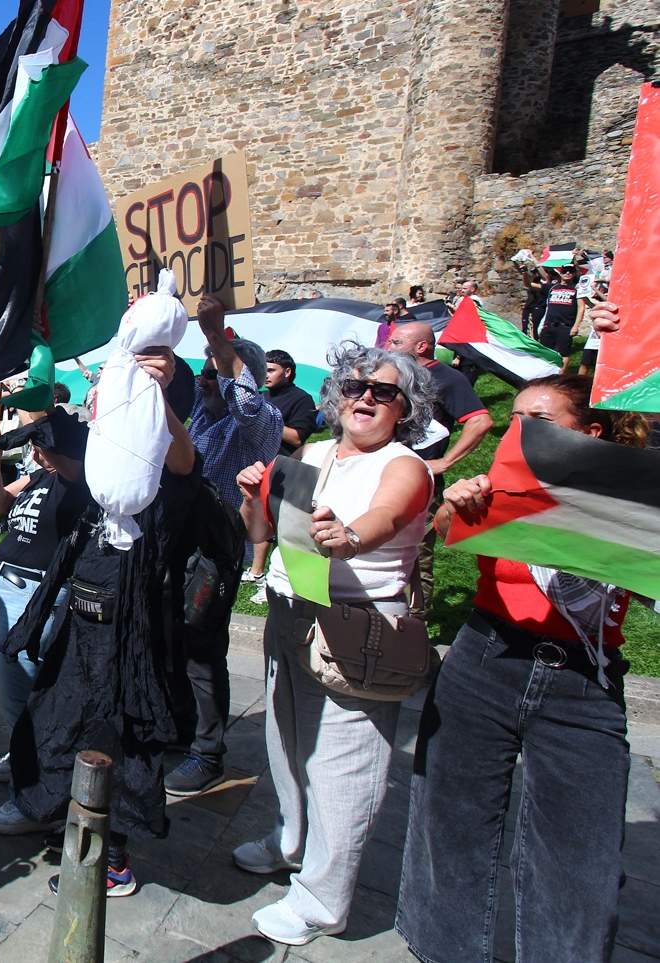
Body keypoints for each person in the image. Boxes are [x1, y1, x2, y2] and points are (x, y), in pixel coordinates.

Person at [397, 372, 650, 963]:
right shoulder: (506, 486)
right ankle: (446, 950)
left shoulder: (629, 496)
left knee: (581, 850)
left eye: (539, 420)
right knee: (452, 818)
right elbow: (447, 535)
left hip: (583, 683)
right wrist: (456, 508)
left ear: (589, 433)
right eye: (514, 419)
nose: (520, 432)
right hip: (486, 660)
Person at [233, 342, 434, 946]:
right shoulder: (313, 455)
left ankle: (323, 901)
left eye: (384, 391)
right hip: (293, 613)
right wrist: (252, 499)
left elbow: (388, 518)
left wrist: (349, 538)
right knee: (287, 742)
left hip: (358, 627)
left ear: (406, 407)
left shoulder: (405, 464)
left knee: (345, 768)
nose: (366, 398)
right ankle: (292, 840)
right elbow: (263, 532)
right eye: (354, 387)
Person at [4, 337, 206, 895]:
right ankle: (48, 809)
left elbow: (186, 460)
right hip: (84, 620)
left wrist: (157, 392)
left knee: (120, 738)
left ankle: (111, 857)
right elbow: (62, 449)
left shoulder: (164, 471)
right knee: (56, 714)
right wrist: (40, 351)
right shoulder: (108, 465)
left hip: (131, 631)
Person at [166, 295, 282, 795]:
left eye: (215, 374)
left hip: (217, 547)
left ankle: (207, 751)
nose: (206, 381)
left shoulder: (261, 421)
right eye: (205, 374)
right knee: (171, 637)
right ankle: (176, 725)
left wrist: (217, 338)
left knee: (202, 646)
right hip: (179, 539)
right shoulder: (203, 419)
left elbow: (248, 400)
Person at [0, 408, 90, 833]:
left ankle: (37, 799)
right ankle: (23, 754)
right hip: (9, 588)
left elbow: (57, 442)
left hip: (38, 594)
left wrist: (38, 437)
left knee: (30, 691)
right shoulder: (40, 478)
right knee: (15, 691)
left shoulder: (82, 480)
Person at [383, 320, 493, 617]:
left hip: (419, 484)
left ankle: (413, 624)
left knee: (414, 555)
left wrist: (445, 462)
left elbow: (480, 421)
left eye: (395, 343)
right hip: (381, 475)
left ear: (421, 346)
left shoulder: (447, 378)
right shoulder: (392, 376)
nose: (386, 346)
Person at [245, 350, 320, 584]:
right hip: (257, 465)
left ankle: (285, 578)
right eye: (263, 370)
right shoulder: (263, 396)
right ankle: (256, 571)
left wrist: (266, 419)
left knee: (283, 526)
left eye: (271, 370)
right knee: (260, 519)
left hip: (285, 467)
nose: (265, 375)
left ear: (287, 372)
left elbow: (298, 437)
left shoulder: (301, 399)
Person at [537, 263, 581, 356]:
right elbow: (529, 284)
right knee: (545, 352)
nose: (567, 273)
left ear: (574, 274)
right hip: (549, 325)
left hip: (565, 326)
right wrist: (524, 272)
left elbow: (581, 308)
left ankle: (562, 371)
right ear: (560, 273)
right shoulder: (552, 287)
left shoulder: (577, 289)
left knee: (563, 353)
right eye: (565, 271)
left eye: (571, 271)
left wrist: (576, 326)